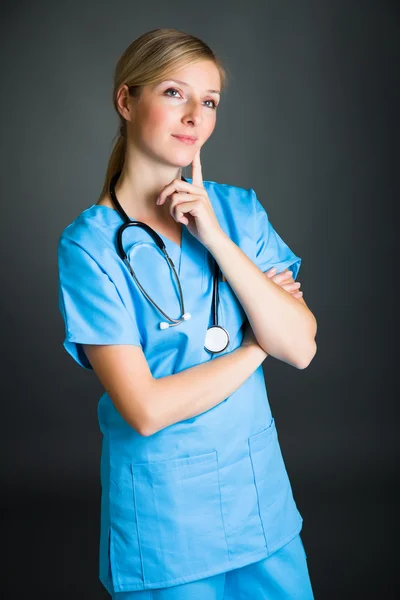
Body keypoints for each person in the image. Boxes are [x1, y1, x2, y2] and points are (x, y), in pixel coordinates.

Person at [57, 28, 317, 599]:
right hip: (166, 522)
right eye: (175, 93)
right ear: (126, 101)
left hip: (259, 506)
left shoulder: (238, 211)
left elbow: (299, 347)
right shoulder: (90, 246)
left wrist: (218, 240)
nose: (195, 115)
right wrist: (255, 343)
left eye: (210, 101)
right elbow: (146, 410)